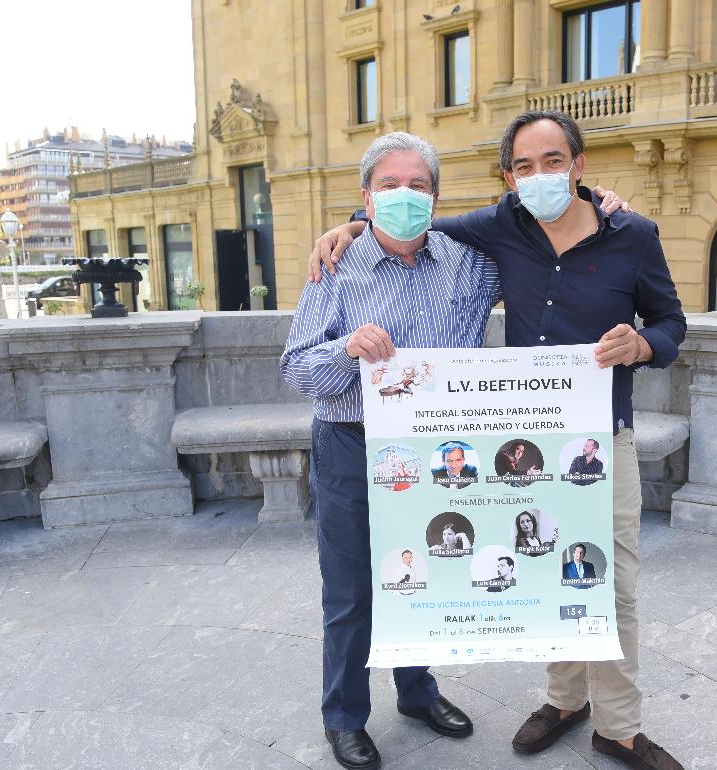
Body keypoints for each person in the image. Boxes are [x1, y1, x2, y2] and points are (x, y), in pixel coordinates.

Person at [309, 109, 686, 770]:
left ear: (578, 164)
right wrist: (350, 225)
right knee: (548, 571)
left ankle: (619, 727)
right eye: (524, 166)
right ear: (508, 177)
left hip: (601, 435)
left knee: (610, 584)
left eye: (553, 161)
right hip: (528, 445)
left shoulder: (633, 236)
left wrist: (645, 343)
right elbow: (413, 218)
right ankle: (564, 702)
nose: (539, 176)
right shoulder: (502, 226)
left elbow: (670, 323)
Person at [280, 132, 495, 770]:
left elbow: (536, 242)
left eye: (418, 185)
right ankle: (344, 716)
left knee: (422, 570)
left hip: (430, 446)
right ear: (366, 199)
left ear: (436, 195)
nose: (405, 195)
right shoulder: (334, 266)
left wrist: (603, 202)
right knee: (350, 591)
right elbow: (296, 368)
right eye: (389, 185)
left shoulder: (468, 265)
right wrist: (346, 349)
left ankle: (416, 690)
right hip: (350, 443)